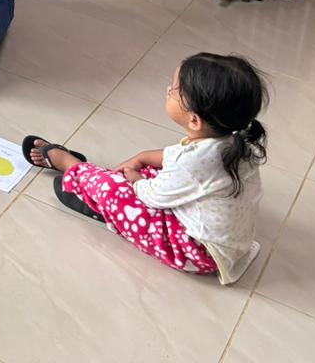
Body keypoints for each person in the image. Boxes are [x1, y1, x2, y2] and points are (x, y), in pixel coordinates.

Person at [24, 53, 266, 285]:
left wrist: (134, 177)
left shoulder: (194, 162)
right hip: (228, 243)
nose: (168, 91)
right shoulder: (237, 140)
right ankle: (91, 184)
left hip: (195, 252)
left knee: (118, 189)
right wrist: (142, 158)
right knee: (150, 170)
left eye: (173, 90)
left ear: (194, 120)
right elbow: (174, 158)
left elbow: (152, 195)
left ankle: (71, 166)